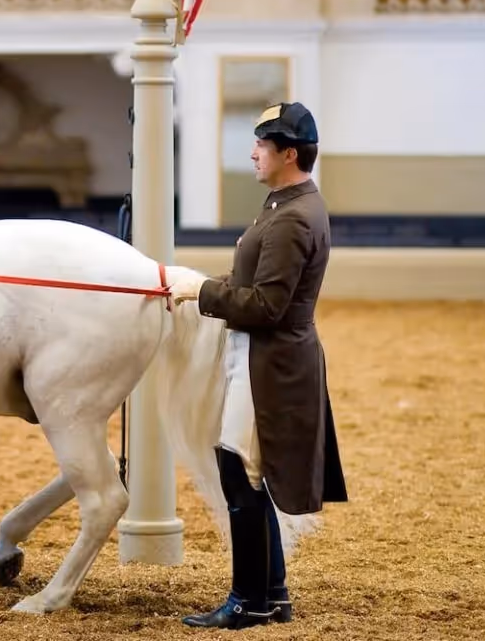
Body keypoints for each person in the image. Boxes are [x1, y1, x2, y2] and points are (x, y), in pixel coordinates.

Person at [169, 101, 348, 630]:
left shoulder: (294, 216)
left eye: (262, 145)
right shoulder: (283, 205)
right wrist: (203, 287)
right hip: (257, 357)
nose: (252, 152)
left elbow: (267, 307)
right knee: (247, 476)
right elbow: (249, 280)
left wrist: (201, 291)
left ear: (288, 153)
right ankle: (271, 594)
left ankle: (249, 599)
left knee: (240, 475)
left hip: (268, 362)